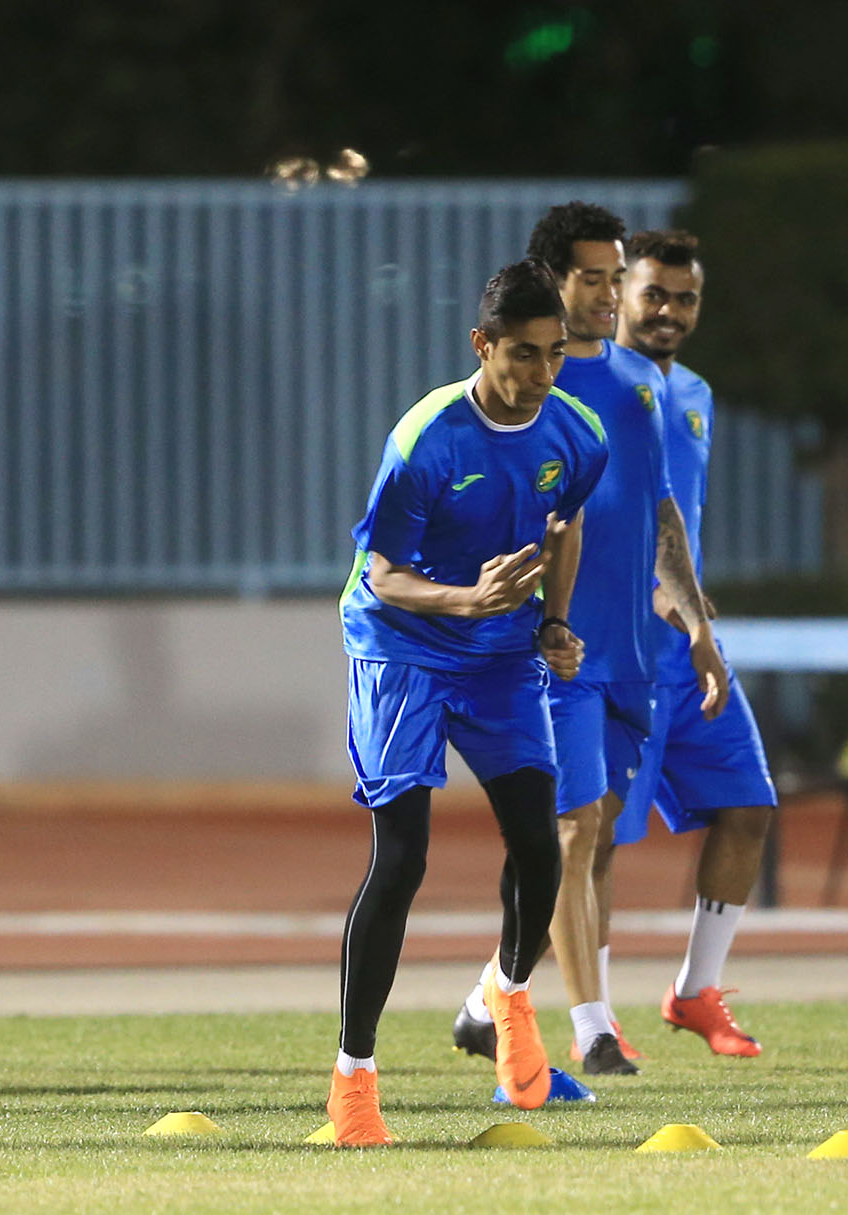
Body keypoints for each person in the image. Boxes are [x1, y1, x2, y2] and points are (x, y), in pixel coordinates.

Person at [330, 259, 606, 1145]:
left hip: (499, 656)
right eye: (523, 353)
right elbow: (382, 575)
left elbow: (565, 525)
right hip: (402, 649)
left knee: (539, 847)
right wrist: (468, 600)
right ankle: (354, 1081)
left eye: (555, 353)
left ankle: (508, 1004)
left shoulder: (579, 434)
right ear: (482, 344)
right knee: (402, 858)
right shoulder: (428, 440)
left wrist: (554, 622)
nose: (542, 372)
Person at [451, 205, 727, 1077]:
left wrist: (697, 625)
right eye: (594, 279)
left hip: (632, 655)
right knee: (572, 832)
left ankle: (486, 999)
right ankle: (594, 1027)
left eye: (617, 279)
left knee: (598, 836)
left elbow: (660, 511)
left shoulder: (641, 383)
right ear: (553, 282)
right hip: (554, 651)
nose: (611, 295)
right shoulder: (521, 389)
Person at [610, 229, 779, 1057]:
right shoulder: (591, 383)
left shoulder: (695, 392)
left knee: (748, 807)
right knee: (587, 842)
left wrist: (690, 603)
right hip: (618, 652)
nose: (670, 311)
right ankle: (517, 1000)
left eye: (686, 298)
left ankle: (693, 992)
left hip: (689, 647)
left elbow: (678, 517)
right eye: (654, 295)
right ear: (619, 294)